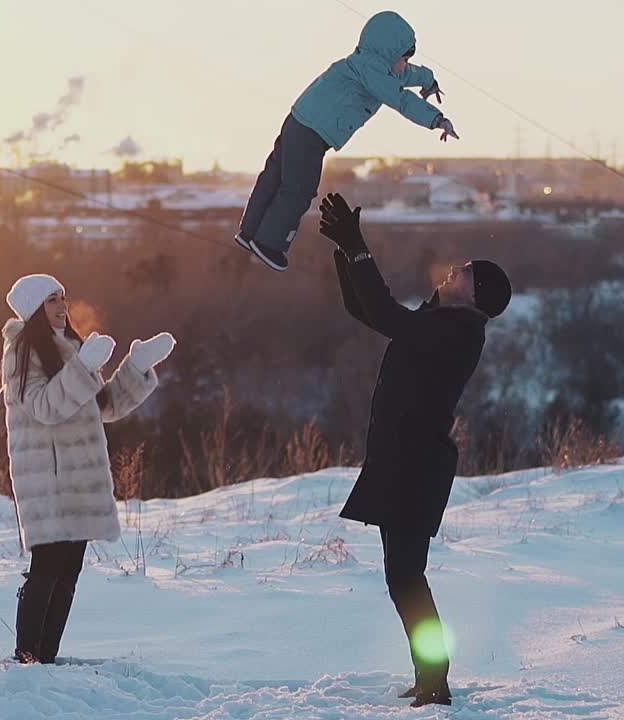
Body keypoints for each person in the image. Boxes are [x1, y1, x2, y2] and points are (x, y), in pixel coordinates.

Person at [319, 193, 511, 707]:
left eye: (467, 272)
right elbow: (365, 309)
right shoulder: (443, 323)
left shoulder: (459, 332)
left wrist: (358, 248)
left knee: (406, 576)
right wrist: (345, 251)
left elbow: (385, 314)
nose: (456, 269)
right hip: (403, 463)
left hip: (415, 469)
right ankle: (430, 675)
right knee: (402, 576)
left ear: (476, 296)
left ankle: (436, 681)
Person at [0, 273, 175, 664]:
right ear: (34, 309)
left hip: (81, 478)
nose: (62, 306)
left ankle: (45, 659)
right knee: (47, 566)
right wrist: (82, 366)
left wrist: (136, 367)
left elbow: (104, 406)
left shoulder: (71, 347)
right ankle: (27, 659)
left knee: (69, 569)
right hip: (49, 478)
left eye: (63, 297)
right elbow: (44, 407)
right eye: (51, 300)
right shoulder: (21, 352)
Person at [235, 10, 457, 272]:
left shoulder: (377, 66)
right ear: (389, 54)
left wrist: (430, 82)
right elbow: (401, 99)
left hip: (297, 120)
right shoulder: (372, 73)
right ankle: (269, 244)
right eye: (404, 59)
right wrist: (437, 119)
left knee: (273, 177)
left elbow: (410, 74)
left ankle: (249, 232)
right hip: (311, 132)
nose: (405, 65)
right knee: (299, 188)